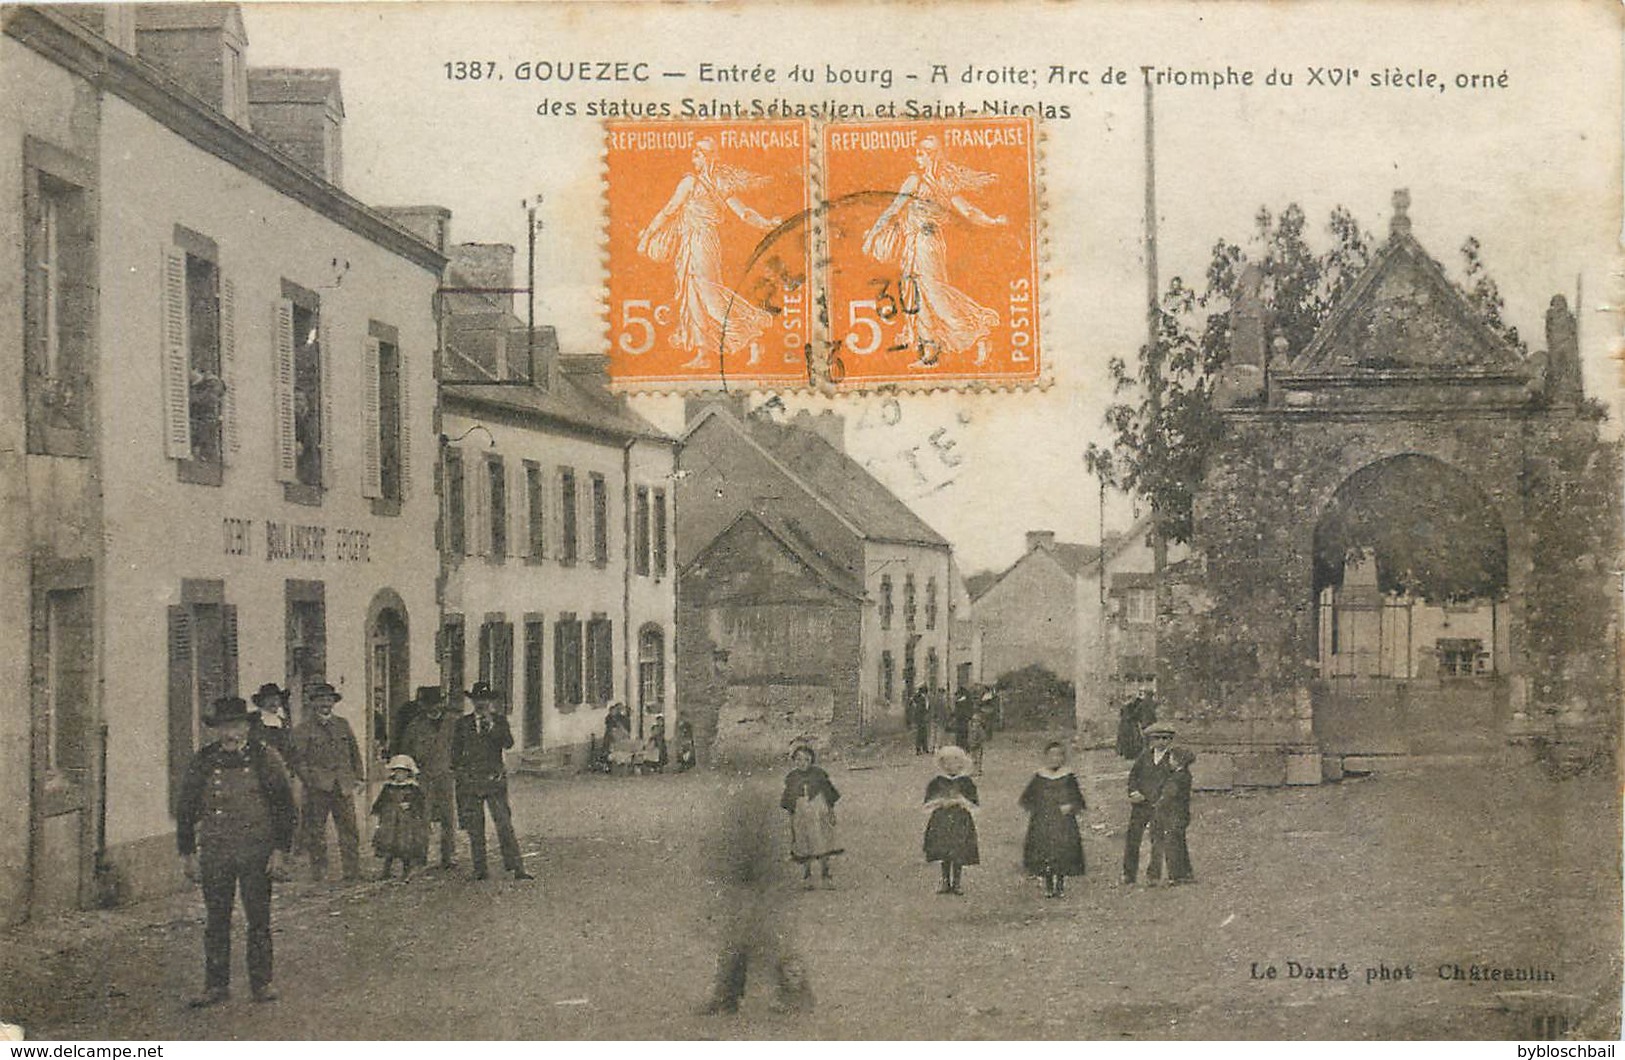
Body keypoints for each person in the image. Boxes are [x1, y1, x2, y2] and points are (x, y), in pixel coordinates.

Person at [175, 696, 297, 1007]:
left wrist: (280, 851)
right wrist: (187, 852)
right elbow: (186, 808)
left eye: (236, 726)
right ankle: (216, 985)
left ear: (246, 726)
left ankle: (262, 982)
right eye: (224, 727)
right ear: (217, 730)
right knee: (216, 920)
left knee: (258, 918)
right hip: (216, 852)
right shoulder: (203, 760)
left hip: (256, 851)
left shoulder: (264, 757)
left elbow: (285, 806)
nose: (231, 734)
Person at [636, 136, 782, 369]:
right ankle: (702, 353)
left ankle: (754, 339)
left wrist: (766, 223)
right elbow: (671, 210)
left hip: (702, 242)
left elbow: (670, 210)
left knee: (709, 296)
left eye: (698, 153)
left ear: (705, 157)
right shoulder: (700, 183)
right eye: (694, 152)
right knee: (691, 294)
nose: (694, 156)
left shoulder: (699, 183)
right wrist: (766, 223)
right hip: (690, 242)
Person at [861, 135, 1008, 368]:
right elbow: (968, 211)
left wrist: (871, 236)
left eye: (921, 153)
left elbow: (893, 209)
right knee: (919, 294)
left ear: (931, 156)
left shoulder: (920, 181)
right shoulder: (940, 183)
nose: (916, 157)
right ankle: (929, 352)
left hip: (925, 244)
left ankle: (978, 333)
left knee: (934, 293)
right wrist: (993, 221)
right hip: (921, 243)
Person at [700, 773, 813, 1015]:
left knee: (772, 940)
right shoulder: (738, 801)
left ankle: (794, 995)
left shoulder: (758, 802)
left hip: (763, 881)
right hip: (747, 881)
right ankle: (726, 994)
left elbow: (768, 851)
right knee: (736, 937)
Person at [451, 682, 533, 881]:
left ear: (490, 702)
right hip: (471, 781)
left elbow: (508, 743)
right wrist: (461, 774)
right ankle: (480, 869)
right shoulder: (463, 724)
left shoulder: (500, 721)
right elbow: (455, 753)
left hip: (494, 780)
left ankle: (516, 867)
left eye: (485, 700)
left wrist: (493, 726)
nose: (482, 704)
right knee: (475, 827)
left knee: (504, 824)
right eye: (478, 700)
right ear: (473, 702)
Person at [289, 682, 363, 881]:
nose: (325, 704)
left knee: (349, 829)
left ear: (333, 703)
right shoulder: (303, 729)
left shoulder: (342, 724)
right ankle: (319, 871)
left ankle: (352, 871)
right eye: (321, 700)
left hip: (343, 785)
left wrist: (359, 777)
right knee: (316, 830)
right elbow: (298, 760)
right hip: (318, 787)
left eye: (329, 700)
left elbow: (354, 752)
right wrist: (311, 780)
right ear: (313, 703)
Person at [401, 686, 459, 869]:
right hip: (423, 776)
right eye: (429, 705)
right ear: (423, 706)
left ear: (442, 704)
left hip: (446, 775)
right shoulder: (415, 726)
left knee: (448, 817)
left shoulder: (454, 723)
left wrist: (457, 769)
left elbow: (462, 748)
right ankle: (420, 856)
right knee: (421, 816)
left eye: (437, 704)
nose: (434, 708)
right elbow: (406, 752)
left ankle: (448, 856)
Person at [1019, 741, 1087, 898]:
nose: (1055, 759)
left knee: (1062, 851)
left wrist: (1071, 806)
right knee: (1045, 851)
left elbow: (1078, 798)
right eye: (1052, 755)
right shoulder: (1039, 777)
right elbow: (1027, 798)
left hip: (1063, 821)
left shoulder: (1068, 776)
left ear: (1063, 758)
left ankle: (1060, 885)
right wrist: (1037, 807)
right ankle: (1048, 885)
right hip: (1044, 821)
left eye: (1059, 755)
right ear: (1046, 757)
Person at [780, 744, 841, 889]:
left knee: (822, 841)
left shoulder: (819, 775)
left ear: (811, 760)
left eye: (806, 760)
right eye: (798, 760)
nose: (802, 763)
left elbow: (829, 795)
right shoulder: (792, 778)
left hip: (819, 812)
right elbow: (788, 801)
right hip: (801, 815)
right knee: (803, 842)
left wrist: (831, 812)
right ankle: (807, 877)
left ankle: (826, 875)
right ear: (794, 761)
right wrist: (791, 818)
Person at [1123, 721, 1176, 885]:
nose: (1162, 742)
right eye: (1158, 738)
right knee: (1133, 838)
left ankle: (1153, 874)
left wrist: (1163, 800)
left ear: (1170, 740)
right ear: (1151, 740)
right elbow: (1133, 777)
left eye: (1166, 738)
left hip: (1159, 806)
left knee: (1157, 839)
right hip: (1141, 804)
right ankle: (1128, 874)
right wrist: (1133, 792)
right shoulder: (1144, 757)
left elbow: (1173, 783)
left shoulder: (1172, 759)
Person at [923, 745, 979, 895]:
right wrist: (940, 802)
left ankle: (957, 883)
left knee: (958, 850)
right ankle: (945, 881)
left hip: (960, 820)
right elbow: (927, 803)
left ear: (961, 764)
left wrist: (960, 801)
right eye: (946, 762)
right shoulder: (937, 782)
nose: (951, 766)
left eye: (955, 762)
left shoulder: (966, 782)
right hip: (941, 821)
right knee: (944, 851)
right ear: (941, 764)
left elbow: (974, 804)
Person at [371, 754, 429, 881]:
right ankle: (386, 870)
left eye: (402, 772)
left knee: (405, 846)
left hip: (406, 823)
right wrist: (377, 809)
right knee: (388, 846)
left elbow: (420, 804)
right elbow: (381, 800)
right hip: (390, 821)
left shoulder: (413, 788)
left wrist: (410, 805)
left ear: (408, 773)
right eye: (397, 772)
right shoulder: (388, 787)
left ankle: (407, 870)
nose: (399, 775)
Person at [1151, 747, 1197, 885]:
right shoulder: (1186, 775)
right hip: (1182, 815)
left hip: (1172, 816)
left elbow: (1168, 797)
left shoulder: (1176, 779)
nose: (1169, 761)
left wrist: (1156, 806)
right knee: (1180, 843)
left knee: (1172, 845)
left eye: (1171, 758)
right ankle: (1186, 872)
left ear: (1178, 761)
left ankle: (1175, 875)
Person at [1116, 691, 1157, 761]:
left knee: (1136, 739)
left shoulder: (1141, 704)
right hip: (1137, 724)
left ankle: (1136, 753)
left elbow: (1135, 714)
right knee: (1139, 739)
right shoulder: (1151, 703)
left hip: (1132, 724)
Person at [908, 685, 931, 755]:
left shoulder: (923, 697)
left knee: (924, 733)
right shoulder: (921, 697)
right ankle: (919, 749)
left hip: (923, 717)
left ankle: (924, 748)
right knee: (921, 733)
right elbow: (919, 707)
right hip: (921, 717)